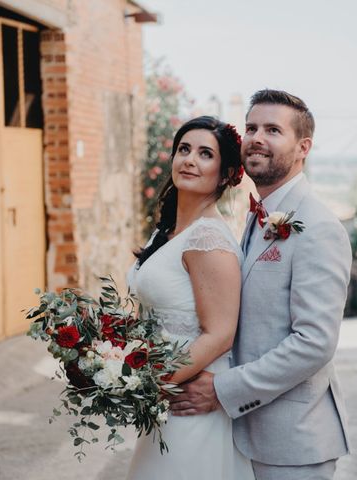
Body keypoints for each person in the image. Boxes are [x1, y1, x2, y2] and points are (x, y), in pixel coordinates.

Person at [170, 90, 352, 480]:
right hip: (241, 434)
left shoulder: (318, 227)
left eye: (273, 130)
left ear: (303, 147)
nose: (257, 138)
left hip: (291, 441)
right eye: (252, 127)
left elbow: (314, 342)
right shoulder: (256, 216)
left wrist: (223, 389)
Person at [125, 116, 255, 480]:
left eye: (205, 154)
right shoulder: (166, 232)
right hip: (164, 399)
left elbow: (220, 334)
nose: (190, 160)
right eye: (184, 149)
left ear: (226, 173)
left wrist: (149, 382)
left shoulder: (208, 239)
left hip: (187, 400)